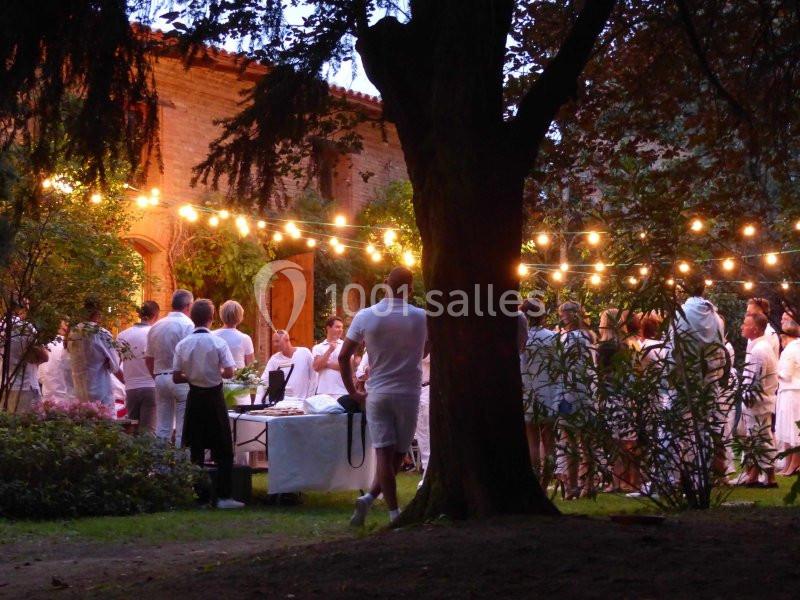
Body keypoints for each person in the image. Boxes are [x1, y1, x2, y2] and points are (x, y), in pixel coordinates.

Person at [339, 267, 428, 525]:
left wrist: (353, 392)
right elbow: (426, 351)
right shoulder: (422, 317)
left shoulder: (366, 316)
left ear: (385, 284)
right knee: (398, 454)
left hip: (377, 393)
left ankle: (372, 501)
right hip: (409, 392)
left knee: (384, 455)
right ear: (410, 289)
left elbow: (344, 357)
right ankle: (393, 515)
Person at [173, 299, 242, 509]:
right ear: (211, 319)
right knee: (223, 448)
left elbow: (176, 377)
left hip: (195, 396)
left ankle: (199, 497)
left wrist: (193, 375)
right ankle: (224, 496)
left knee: (196, 448)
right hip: (214, 396)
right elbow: (230, 372)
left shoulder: (183, 344)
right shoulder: (218, 343)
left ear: (192, 318)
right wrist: (213, 373)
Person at [555, 300, 596, 500]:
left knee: (569, 439)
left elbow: (561, 363)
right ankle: (589, 484)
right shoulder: (589, 336)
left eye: (563, 313)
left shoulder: (569, 338)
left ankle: (572, 486)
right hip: (587, 390)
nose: (561, 317)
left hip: (569, 391)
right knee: (586, 441)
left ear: (571, 315)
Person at [145, 289, 194, 446]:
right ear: (188, 306)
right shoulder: (188, 325)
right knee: (182, 428)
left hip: (160, 376)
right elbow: (189, 355)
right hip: (181, 379)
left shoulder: (157, 326)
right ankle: (182, 465)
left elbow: (149, 358)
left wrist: (157, 376)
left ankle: (161, 465)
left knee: (162, 426)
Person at [521, 303, 558, 490]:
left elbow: (521, 367)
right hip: (549, 392)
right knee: (550, 441)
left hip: (529, 391)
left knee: (533, 441)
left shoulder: (524, 338)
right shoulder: (553, 337)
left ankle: (535, 483)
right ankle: (545, 483)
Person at [739, 312, 778, 487]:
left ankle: (769, 478)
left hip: (758, 403)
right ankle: (758, 476)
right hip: (761, 401)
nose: (742, 326)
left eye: (745, 324)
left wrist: (747, 398)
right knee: (759, 438)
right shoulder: (760, 347)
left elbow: (755, 379)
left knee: (761, 438)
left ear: (754, 329)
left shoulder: (759, 350)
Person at [68, 297, 123, 409]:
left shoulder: (73, 333)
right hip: (100, 390)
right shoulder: (100, 333)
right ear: (98, 313)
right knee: (104, 424)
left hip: (80, 391)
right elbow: (115, 365)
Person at [117, 301, 160, 434]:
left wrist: (126, 380)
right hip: (151, 387)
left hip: (131, 389)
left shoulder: (122, 335)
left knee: (132, 432)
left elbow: (114, 365)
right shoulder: (155, 333)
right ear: (156, 315)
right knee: (148, 432)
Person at [1, 297, 48, 413]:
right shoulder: (26, 327)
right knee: (28, 425)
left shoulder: (2, 326)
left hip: (3, 385)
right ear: (21, 309)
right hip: (25, 386)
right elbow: (44, 356)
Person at [254, 330, 314, 402]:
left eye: (277, 341)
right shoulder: (274, 359)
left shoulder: (304, 353)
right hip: (282, 403)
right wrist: (257, 403)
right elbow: (263, 381)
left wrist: (310, 398)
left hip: (303, 401)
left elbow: (314, 376)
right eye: (273, 342)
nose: (274, 344)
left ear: (287, 340)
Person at [776, 312, 800, 476]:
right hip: (787, 390)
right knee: (787, 428)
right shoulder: (792, 348)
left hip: (793, 390)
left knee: (793, 429)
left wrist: (775, 373)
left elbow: (786, 373)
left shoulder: (793, 349)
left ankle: (794, 464)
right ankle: (788, 463)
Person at [312, 315, 349, 397]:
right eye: (337, 327)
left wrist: (326, 364)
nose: (341, 330)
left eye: (341, 328)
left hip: (342, 391)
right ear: (328, 328)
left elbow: (348, 367)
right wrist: (329, 350)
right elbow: (316, 367)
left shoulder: (345, 346)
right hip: (322, 392)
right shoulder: (318, 347)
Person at [213, 300, 254, 368]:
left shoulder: (212, 335)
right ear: (240, 316)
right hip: (238, 377)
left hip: (216, 376)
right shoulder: (245, 338)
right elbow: (251, 367)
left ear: (221, 315)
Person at [39, 321, 73, 404]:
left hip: (47, 400)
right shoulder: (70, 347)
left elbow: (39, 377)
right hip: (68, 400)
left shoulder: (44, 346)